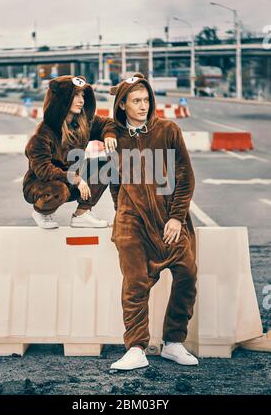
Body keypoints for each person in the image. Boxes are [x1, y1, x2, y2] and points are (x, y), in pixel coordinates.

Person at [109, 73, 198, 370]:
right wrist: (119, 211)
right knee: (135, 284)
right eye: (136, 101)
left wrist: (176, 217)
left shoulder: (168, 130)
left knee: (186, 275)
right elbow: (111, 181)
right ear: (122, 105)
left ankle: (173, 343)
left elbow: (185, 175)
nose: (143, 105)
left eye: (146, 100)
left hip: (168, 218)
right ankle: (135, 348)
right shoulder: (115, 137)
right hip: (131, 222)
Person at [23, 75, 117, 229]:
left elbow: (108, 123)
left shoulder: (83, 123)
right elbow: (43, 170)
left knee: (107, 165)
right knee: (58, 189)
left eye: (82, 95)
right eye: (75, 95)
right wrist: (76, 179)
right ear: (61, 99)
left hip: (74, 183)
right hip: (42, 186)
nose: (81, 100)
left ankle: (82, 214)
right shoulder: (43, 133)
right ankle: (42, 212)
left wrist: (109, 135)